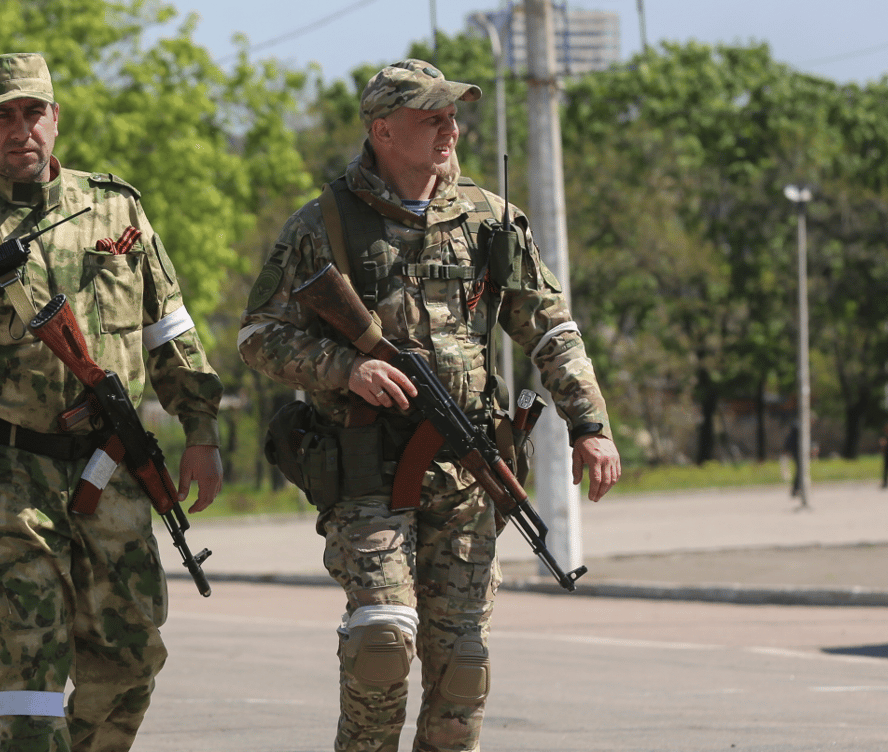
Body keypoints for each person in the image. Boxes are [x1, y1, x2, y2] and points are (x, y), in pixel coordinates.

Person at [239, 59, 621, 752]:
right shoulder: (322, 223)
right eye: (431, 117)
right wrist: (345, 369)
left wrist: (590, 424)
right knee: (382, 642)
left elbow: (552, 329)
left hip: (469, 475)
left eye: (453, 115)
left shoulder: (490, 220)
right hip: (365, 473)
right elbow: (257, 336)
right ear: (383, 131)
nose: (451, 128)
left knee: (462, 672)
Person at [0, 52, 223, 752]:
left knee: (130, 663)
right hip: (6, 483)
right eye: (3, 117)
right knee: (31, 677)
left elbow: (169, 331)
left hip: (113, 471)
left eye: (34, 113)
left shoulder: (117, 210)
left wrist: (201, 432)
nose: (20, 129)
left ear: (56, 121)